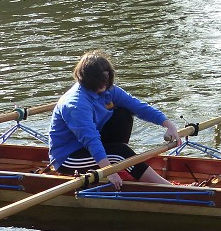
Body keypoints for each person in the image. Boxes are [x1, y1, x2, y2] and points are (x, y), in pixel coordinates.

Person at [48, 50, 181, 189]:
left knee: (123, 114)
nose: (104, 84)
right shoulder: (76, 103)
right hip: (69, 158)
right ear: (89, 79)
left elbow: (137, 106)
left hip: (91, 147)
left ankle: (119, 163)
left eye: (107, 79)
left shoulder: (106, 89)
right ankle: (170, 188)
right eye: (100, 80)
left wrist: (167, 124)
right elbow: (91, 139)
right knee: (121, 153)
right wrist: (108, 171)